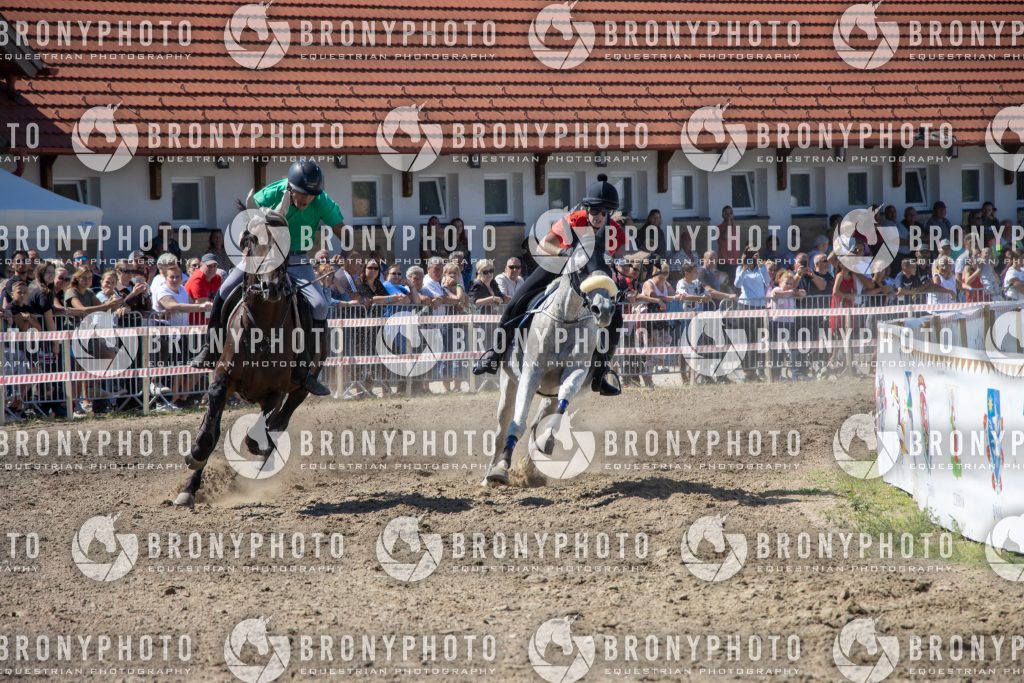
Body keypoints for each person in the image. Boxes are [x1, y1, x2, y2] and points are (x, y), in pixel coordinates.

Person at [191, 160, 346, 396]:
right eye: (302, 193)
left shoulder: (322, 200)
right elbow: (247, 217)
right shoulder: (272, 193)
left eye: (311, 195)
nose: (306, 199)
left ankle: (306, 370)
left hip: (296, 259)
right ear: (291, 188)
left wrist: (347, 252)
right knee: (225, 290)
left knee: (320, 306)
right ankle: (210, 348)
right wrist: (246, 239)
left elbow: (342, 230)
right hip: (264, 256)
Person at [472, 174, 626, 396]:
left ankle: (601, 372)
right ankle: (495, 353)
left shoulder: (614, 230)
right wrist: (564, 252)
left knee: (616, 317)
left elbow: (619, 255)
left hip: (591, 276)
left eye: (605, 212)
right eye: (595, 211)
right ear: (587, 208)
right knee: (517, 301)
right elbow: (545, 243)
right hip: (557, 266)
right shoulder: (573, 220)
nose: (599, 216)